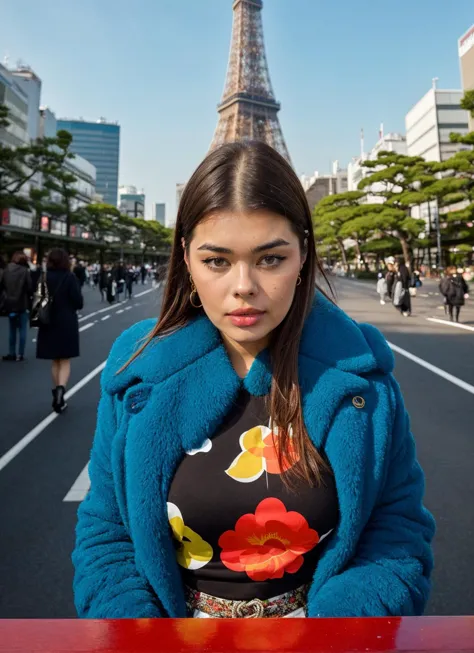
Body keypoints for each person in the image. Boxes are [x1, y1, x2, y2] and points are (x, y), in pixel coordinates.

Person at [73, 141, 434, 620]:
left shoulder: (361, 378)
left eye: (270, 259)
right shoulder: (138, 371)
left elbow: (396, 532)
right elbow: (107, 532)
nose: (243, 286)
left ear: (303, 253)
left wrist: (331, 634)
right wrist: (140, 635)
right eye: (217, 261)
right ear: (185, 258)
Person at [36, 248, 83, 413]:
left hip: (47, 321)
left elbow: (38, 299)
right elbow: (78, 302)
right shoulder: (70, 278)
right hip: (66, 321)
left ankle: (57, 389)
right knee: (65, 360)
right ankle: (61, 390)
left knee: (55, 360)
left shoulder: (44, 277)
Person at [2, 251, 33, 362]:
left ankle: (11, 353)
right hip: (22, 303)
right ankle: (20, 354)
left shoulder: (7, 269)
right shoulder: (25, 271)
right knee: (23, 329)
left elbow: (2, 285)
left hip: (9, 303)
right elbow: (30, 288)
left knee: (12, 329)